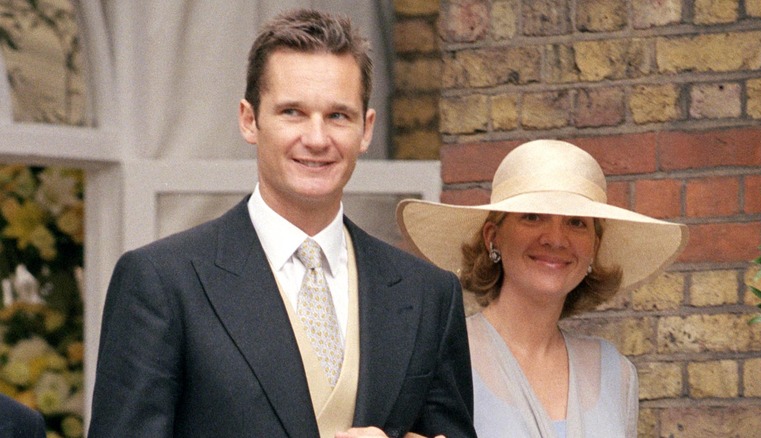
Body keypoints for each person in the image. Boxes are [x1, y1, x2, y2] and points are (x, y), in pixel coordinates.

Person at [89, 8, 475, 438]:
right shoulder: (163, 282)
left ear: (366, 130)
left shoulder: (428, 294)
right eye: (292, 112)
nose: (316, 138)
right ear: (249, 120)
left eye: (338, 116)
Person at [397, 139, 689, 437]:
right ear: (492, 237)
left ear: (594, 247)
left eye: (576, 222)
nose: (555, 239)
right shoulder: (441, 359)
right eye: (533, 216)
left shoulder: (616, 373)